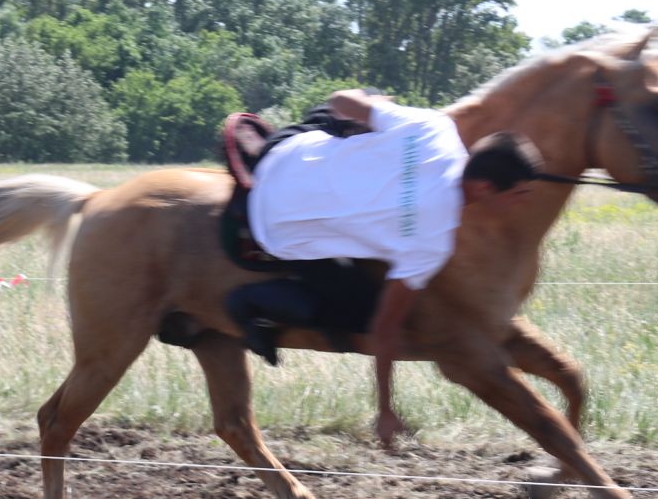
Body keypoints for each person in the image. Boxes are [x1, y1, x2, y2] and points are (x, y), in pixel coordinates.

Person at [228, 89, 542, 451]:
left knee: (353, 118)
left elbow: (340, 100)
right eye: (519, 195)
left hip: (283, 151)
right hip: (273, 227)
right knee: (361, 310)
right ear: (486, 187)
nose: (522, 206)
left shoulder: (432, 127)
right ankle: (253, 304)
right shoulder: (433, 241)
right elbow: (385, 327)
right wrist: (385, 410)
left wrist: (380, 108)